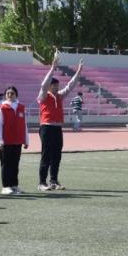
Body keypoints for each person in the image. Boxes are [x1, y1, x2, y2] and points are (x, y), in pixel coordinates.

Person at [36, 50, 83, 191]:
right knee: (46, 155)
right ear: (50, 86)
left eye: (57, 86)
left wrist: (78, 72)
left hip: (57, 128)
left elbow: (70, 85)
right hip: (46, 127)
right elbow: (43, 85)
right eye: (55, 86)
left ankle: (54, 181)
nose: (57, 87)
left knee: (57, 155)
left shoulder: (59, 96)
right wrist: (53, 68)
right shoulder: (43, 96)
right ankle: (42, 183)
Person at [0, 85, 29, 195]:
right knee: (6, 164)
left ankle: (14, 185)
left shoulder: (21, 107)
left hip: (18, 141)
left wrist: (26, 140)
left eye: (12, 93)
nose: (10, 95)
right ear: (5, 95)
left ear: (16, 95)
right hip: (6, 141)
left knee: (15, 164)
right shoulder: (2, 107)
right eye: (8, 93)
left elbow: (24, 124)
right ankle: (6, 186)